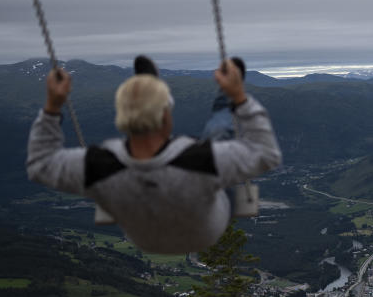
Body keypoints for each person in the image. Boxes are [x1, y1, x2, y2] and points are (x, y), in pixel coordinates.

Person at [26, 56, 281, 253]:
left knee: (210, 142)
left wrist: (52, 106)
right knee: (218, 130)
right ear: (165, 115)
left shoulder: (98, 165)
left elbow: (40, 164)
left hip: (144, 239)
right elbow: (266, 153)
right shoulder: (202, 159)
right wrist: (239, 96)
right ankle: (224, 97)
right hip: (204, 231)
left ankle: (146, 88)